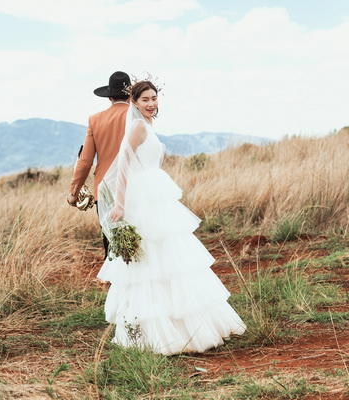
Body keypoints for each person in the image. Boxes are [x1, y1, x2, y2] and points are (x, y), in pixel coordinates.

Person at [96, 80, 247, 355]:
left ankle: (183, 325)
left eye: (154, 98)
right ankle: (155, 332)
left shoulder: (147, 125)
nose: (151, 104)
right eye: (145, 100)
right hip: (142, 198)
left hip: (155, 195)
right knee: (150, 261)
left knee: (170, 258)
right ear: (134, 102)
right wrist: (119, 204)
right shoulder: (138, 127)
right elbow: (123, 165)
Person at [67, 71, 131, 258]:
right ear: (130, 95)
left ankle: (114, 273)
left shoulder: (95, 120)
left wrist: (74, 192)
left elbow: (85, 161)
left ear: (109, 96)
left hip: (105, 189)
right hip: (135, 186)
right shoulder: (138, 116)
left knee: (111, 243)